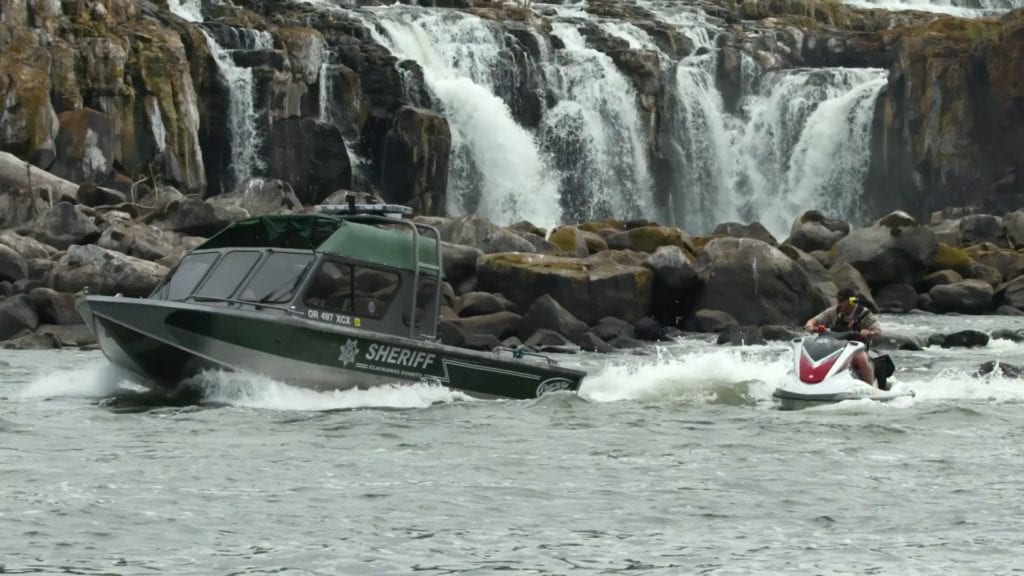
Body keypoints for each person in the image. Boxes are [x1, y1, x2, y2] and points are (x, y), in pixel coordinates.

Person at [803, 288, 883, 386]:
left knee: (861, 360)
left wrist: (870, 333)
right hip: (835, 346)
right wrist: (810, 325)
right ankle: (809, 380)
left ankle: (870, 387)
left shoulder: (865, 314)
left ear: (851, 301)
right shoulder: (833, 311)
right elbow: (814, 320)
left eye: (841, 301)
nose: (838, 303)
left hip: (856, 348)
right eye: (838, 300)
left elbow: (878, 332)